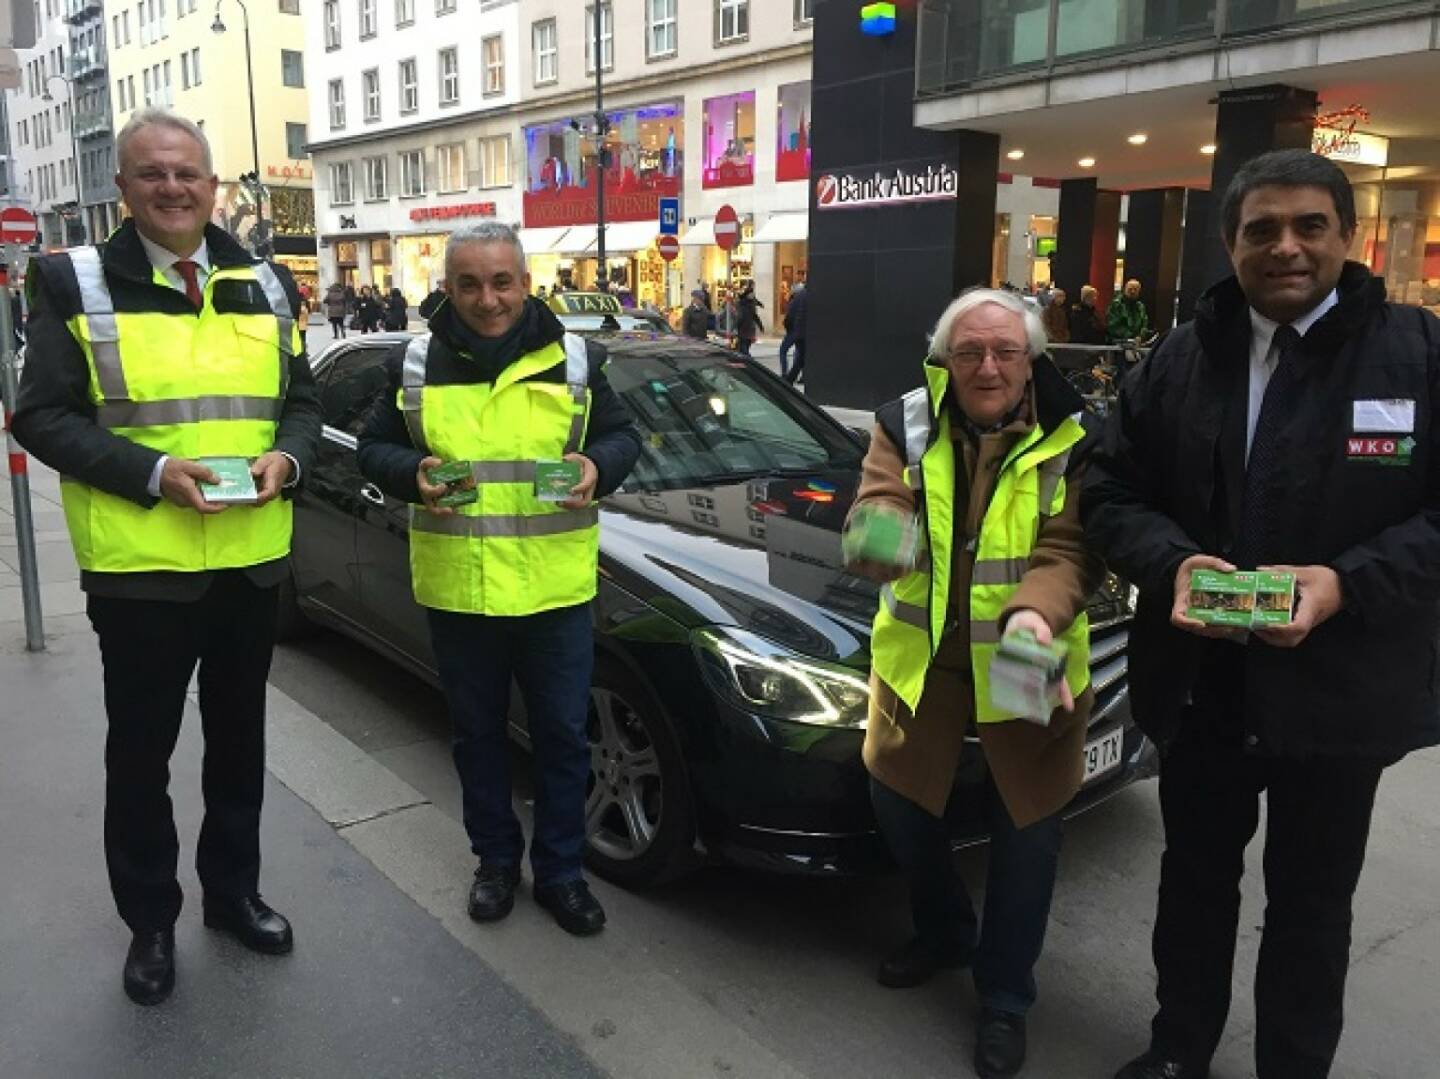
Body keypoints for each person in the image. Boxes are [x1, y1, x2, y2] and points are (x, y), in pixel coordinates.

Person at [1083, 149, 1440, 1079]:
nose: (1286, 247)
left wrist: (1345, 584)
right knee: (1194, 883)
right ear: (1231, 244)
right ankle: (1177, 1048)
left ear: (1346, 237)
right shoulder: (1176, 359)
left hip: (1341, 693)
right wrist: (1172, 563)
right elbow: (1109, 489)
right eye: (1261, 230)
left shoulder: (1420, 355)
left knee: (1314, 906)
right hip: (1205, 687)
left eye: (1308, 226)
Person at [10, 107, 322, 1006]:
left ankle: (232, 894)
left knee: (239, 744)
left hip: (248, 559)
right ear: (125, 189)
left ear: (213, 185)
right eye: (153, 174)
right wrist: (153, 472)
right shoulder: (72, 281)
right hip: (142, 569)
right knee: (141, 754)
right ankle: (151, 919)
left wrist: (288, 457)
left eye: (188, 173)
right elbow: (41, 415)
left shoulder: (263, 278)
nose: (173, 188)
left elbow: (296, 399)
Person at [356, 222, 640, 938]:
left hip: (553, 590)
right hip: (463, 588)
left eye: (502, 281)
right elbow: (371, 446)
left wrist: (598, 467)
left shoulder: (576, 360)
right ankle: (494, 864)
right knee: (477, 738)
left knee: (563, 740)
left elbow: (624, 436)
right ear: (447, 287)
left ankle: (564, 873)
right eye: (470, 283)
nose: (488, 299)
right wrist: (409, 476)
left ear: (525, 281)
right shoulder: (414, 364)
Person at [845, 288, 1101, 1079]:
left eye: (1005, 352)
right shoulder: (906, 422)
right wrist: (879, 538)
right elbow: (878, 501)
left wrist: (1033, 617)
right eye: (969, 353)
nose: (987, 367)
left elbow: (1072, 549)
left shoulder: (1077, 437)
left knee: (1028, 826)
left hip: (1029, 653)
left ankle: (1005, 996)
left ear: (1032, 360)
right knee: (895, 792)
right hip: (925, 654)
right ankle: (946, 927)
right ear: (944, 361)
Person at [780, 281, 808, 385]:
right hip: (802, 332)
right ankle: (789, 379)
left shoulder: (799, 296)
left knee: (801, 357)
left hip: (798, 332)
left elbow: (789, 317)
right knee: (801, 357)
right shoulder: (806, 295)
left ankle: (789, 379)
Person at [1106, 278, 1152, 343]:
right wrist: (1131, 336)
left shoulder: (1140, 306)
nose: (1132, 291)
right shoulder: (1117, 305)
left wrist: (1140, 336)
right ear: (1125, 289)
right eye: (1130, 289)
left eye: (1135, 289)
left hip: (1137, 342)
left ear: (1139, 291)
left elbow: (1144, 324)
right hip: (1118, 343)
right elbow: (1112, 326)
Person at [735, 281, 763, 356]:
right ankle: (748, 360)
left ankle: (745, 359)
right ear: (747, 295)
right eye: (751, 294)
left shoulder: (751, 303)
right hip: (743, 329)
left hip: (749, 328)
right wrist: (736, 327)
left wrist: (760, 326)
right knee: (744, 348)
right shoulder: (742, 304)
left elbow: (755, 316)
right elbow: (740, 317)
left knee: (746, 346)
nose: (753, 295)